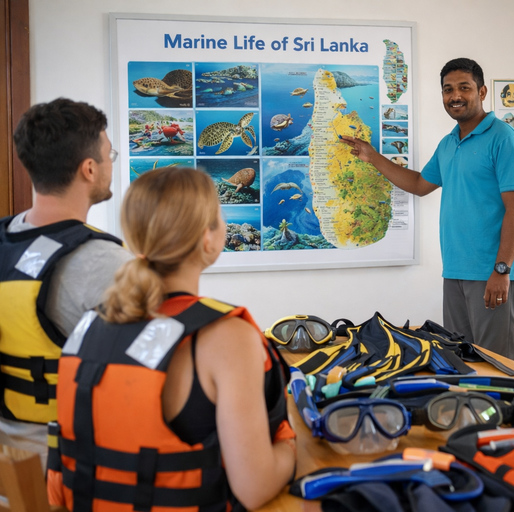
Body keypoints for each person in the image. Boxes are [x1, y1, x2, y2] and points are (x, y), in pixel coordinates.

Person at [47, 167, 296, 511]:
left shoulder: (88, 325)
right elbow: (254, 489)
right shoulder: (226, 337)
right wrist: (291, 444)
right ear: (208, 239)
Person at [340, 58, 514, 360]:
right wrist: (372, 156)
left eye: (464, 88)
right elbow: (418, 184)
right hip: (455, 270)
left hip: (492, 272)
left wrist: (501, 270)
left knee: (495, 363)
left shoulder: (504, 139)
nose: (455, 96)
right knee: (460, 360)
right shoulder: (448, 143)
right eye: (448, 89)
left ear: (481, 92)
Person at [0, 98, 131, 462]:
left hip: (9, 466)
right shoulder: (104, 262)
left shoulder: (4, 239)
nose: (110, 163)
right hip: (71, 470)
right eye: (110, 155)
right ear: (89, 169)